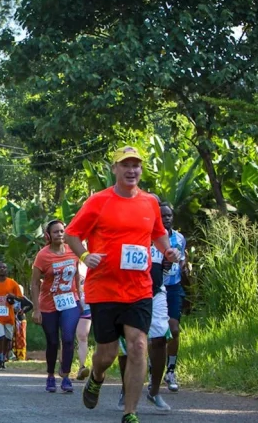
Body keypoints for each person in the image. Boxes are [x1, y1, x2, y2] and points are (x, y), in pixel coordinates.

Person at [65, 146, 181, 423]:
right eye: (125, 165)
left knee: (138, 345)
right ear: (114, 169)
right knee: (107, 353)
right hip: (104, 289)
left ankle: (130, 413)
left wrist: (167, 250)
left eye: (136, 165)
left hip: (139, 288)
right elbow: (72, 234)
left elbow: (158, 234)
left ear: (141, 169)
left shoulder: (149, 202)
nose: (131, 170)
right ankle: (97, 376)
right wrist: (85, 255)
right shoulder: (98, 201)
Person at [116, 200, 175, 413]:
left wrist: (171, 259)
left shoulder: (164, 236)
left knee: (159, 339)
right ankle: (126, 390)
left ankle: (154, 391)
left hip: (156, 293)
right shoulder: (127, 230)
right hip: (128, 294)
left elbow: (170, 262)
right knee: (129, 346)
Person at [31, 220, 82, 393]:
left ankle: (66, 375)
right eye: (56, 232)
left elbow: (77, 275)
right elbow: (34, 283)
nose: (60, 234)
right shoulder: (43, 255)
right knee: (52, 342)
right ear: (48, 235)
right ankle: (51, 375)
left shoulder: (73, 250)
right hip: (48, 304)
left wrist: (80, 298)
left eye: (62, 231)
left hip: (70, 301)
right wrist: (36, 309)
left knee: (68, 338)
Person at [161, 203, 187, 392]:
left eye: (169, 215)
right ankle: (153, 369)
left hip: (174, 287)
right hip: (155, 287)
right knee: (156, 334)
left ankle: (170, 370)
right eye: (163, 216)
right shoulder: (151, 238)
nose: (167, 218)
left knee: (174, 329)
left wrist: (182, 266)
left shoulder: (179, 238)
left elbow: (182, 258)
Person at [0, 262, 31, 370]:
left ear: (7, 270)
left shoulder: (12, 283)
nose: (2, 269)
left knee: (7, 339)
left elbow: (21, 298)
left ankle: (3, 358)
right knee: (0, 337)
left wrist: (13, 296)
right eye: (0, 267)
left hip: (9, 316)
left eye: (4, 267)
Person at [75, 261, 92, 380]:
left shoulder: (90, 263)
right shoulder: (67, 258)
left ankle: (82, 367)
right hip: (69, 303)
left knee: (82, 336)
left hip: (86, 304)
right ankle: (64, 366)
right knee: (66, 337)